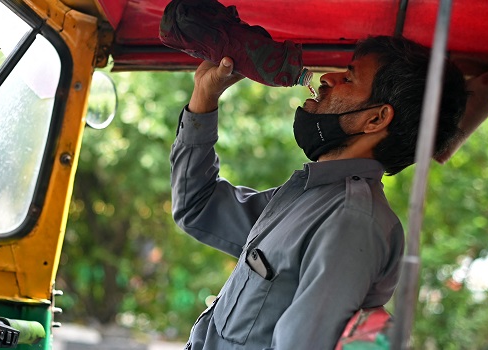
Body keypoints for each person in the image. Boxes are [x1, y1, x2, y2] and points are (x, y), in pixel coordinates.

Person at [170, 35, 468, 350]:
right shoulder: (308, 196)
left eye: (349, 78)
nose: (327, 78)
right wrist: (205, 96)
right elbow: (197, 207)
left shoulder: (351, 221)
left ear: (376, 118)